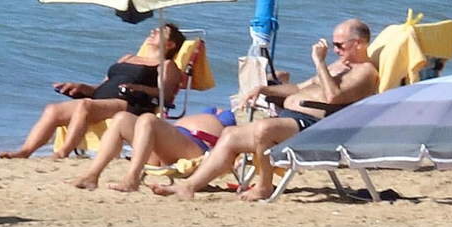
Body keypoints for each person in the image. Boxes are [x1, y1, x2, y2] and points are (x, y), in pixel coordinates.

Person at [151, 19, 379, 201]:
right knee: (230, 135)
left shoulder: (365, 72)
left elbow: (333, 96)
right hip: (294, 121)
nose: (336, 50)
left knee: (263, 130)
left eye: (340, 45)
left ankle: (264, 186)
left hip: (318, 129)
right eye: (335, 45)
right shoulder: (340, 66)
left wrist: (319, 62)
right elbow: (299, 87)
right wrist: (263, 89)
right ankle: (188, 187)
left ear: (358, 43)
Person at [0, 24, 186, 159]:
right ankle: (25, 152)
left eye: (162, 32)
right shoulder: (128, 57)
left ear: (170, 45)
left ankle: (63, 152)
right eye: (154, 29)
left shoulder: (167, 65)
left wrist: (138, 88)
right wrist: (82, 87)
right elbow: (104, 85)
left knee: (84, 105)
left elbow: (164, 95)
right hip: (100, 99)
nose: (153, 31)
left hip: (129, 103)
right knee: (53, 110)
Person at [68, 109, 229, 191]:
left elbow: (231, 145)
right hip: (165, 145)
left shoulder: (228, 119)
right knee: (121, 117)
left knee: (148, 120)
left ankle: (132, 178)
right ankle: (92, 176)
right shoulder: (208, 113)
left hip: (195, 148)